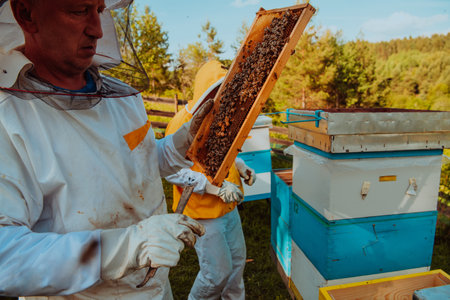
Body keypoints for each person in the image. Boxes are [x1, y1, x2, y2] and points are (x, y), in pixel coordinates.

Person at [0, 0, 213, 298]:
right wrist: (126, 248)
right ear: (26, 15)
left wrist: (186, 141)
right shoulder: (8, 118)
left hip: (156, 289)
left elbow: (144, 164)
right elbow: (6, 256)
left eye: (99, 10)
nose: (98, 30)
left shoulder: (120, 96)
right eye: (78, 11)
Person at [164, 60, 256, 300]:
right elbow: (174, 172)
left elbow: (223, 152)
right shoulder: (178, 124)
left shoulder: (217, 116)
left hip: (229, 208)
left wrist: (241, 166)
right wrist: (214, 190)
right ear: (206, 90)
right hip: (204, 215)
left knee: (236, 266)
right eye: (220, 90)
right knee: (216, 274)